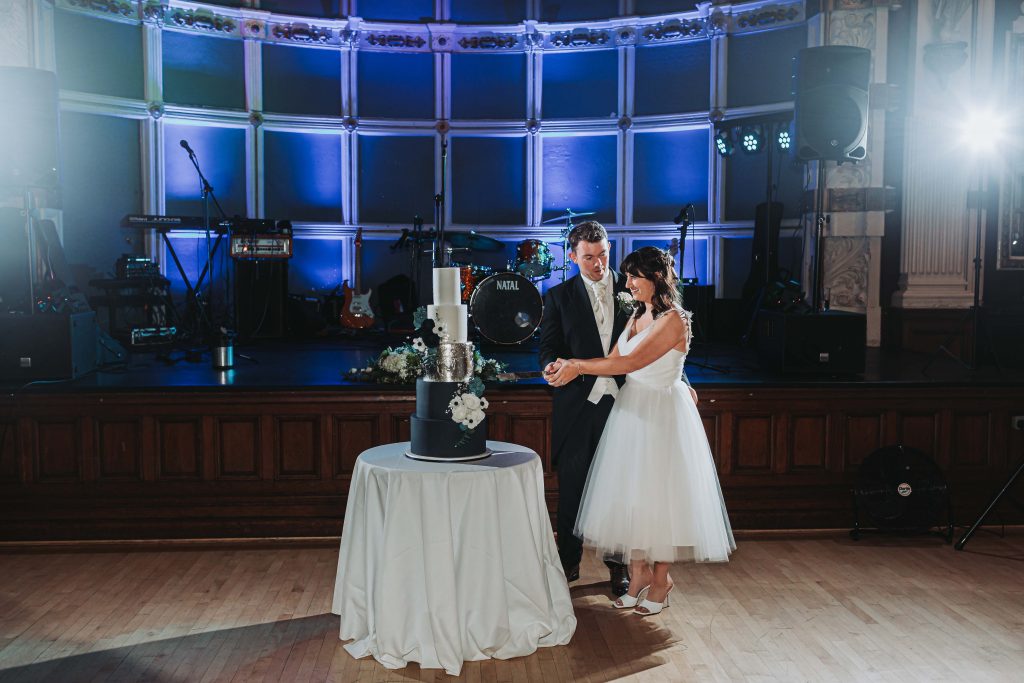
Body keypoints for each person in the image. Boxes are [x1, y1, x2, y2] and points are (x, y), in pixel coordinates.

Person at [545, 246, 735, 616]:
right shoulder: (636, 314)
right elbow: (618, 362)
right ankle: (636, 578)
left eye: (635, 277)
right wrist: (569, 364)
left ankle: (661, 580)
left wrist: (578, 366)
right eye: (628, 276)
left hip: (661, 413)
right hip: (631, 409)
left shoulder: (674, 320)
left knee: (659, 498)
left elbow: (632, 361)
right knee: (631, 497)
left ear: (656, 279)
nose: (628, 283)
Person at [539, 223, 696, 597]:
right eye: (589, 257)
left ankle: (622, 569)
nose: (598, 263)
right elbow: (549, 347)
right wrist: (553, 366)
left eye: (603, 254)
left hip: (629, 404)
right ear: (573, 256)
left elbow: (659, 352)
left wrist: (683, 382)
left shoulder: (634, 291)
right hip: (579, 405)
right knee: (575, 486)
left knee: (626, 490)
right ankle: (568, 563)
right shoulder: (559, 296)